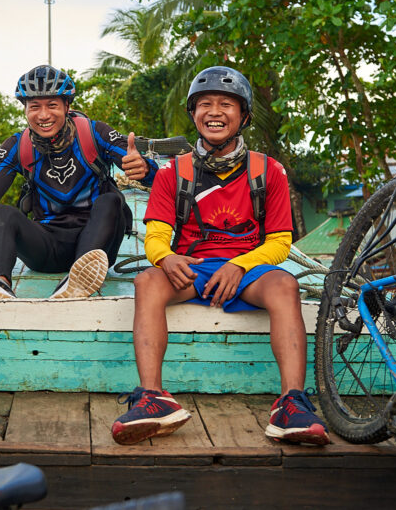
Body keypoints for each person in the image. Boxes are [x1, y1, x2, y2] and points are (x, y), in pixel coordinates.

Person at [111, 65, 330, 446]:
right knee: (146, 280)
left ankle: (291, 403)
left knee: (285, 285)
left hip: (248, 269)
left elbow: (279, 242)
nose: (215, 111)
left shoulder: (268, 170)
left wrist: (238, 265)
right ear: (193, 114)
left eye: (226, 104)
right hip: (192, 267)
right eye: (205, 104)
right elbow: (156, 236)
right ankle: (153, 397)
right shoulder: (171, 173)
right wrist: (165, 259)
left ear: (243, 116)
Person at [0, 65, 159, 301]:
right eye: (34, 106)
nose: (44, 115)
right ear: (25, 110)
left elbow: (151, 173)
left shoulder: (95, 132)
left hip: (97, 250)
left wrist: (145, 168)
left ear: (67, 106)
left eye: (52, 105)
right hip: (47, 248)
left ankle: (77, 282)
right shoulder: (17, 145)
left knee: (112, 200)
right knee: (1, 212)